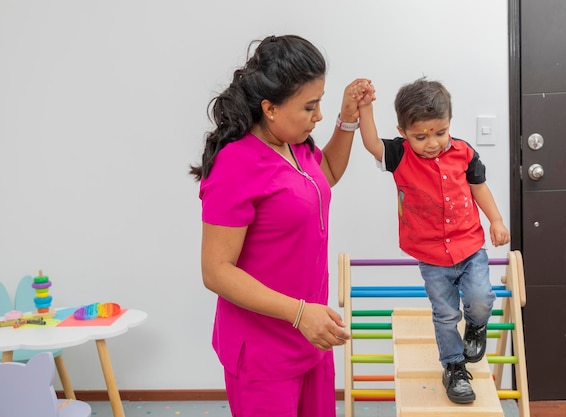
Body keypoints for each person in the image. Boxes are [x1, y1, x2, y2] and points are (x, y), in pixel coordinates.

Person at [189, 35, 375, 417]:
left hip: (312, 338)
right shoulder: (235, 165)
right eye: (310, 106)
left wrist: (348, 120)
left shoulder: (295, 143)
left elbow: (325, 175)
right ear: (270, 108)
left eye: (320, 103)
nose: (318, 115)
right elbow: (216, 271)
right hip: (264, 352)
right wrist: (299, 313)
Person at [357, 77, 510, 404]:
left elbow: (479, 187)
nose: (432, 143)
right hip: (431, 257)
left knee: (482, 298)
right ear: (402, 132)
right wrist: (365, 107)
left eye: (440, 133)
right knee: (444, 315)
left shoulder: (464, 153)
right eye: (421, 136)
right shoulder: (398, 155)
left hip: (469, 246)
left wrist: (496, 220)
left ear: (449, 123)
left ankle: (476, 326)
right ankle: (454, 367)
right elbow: (371, 143)